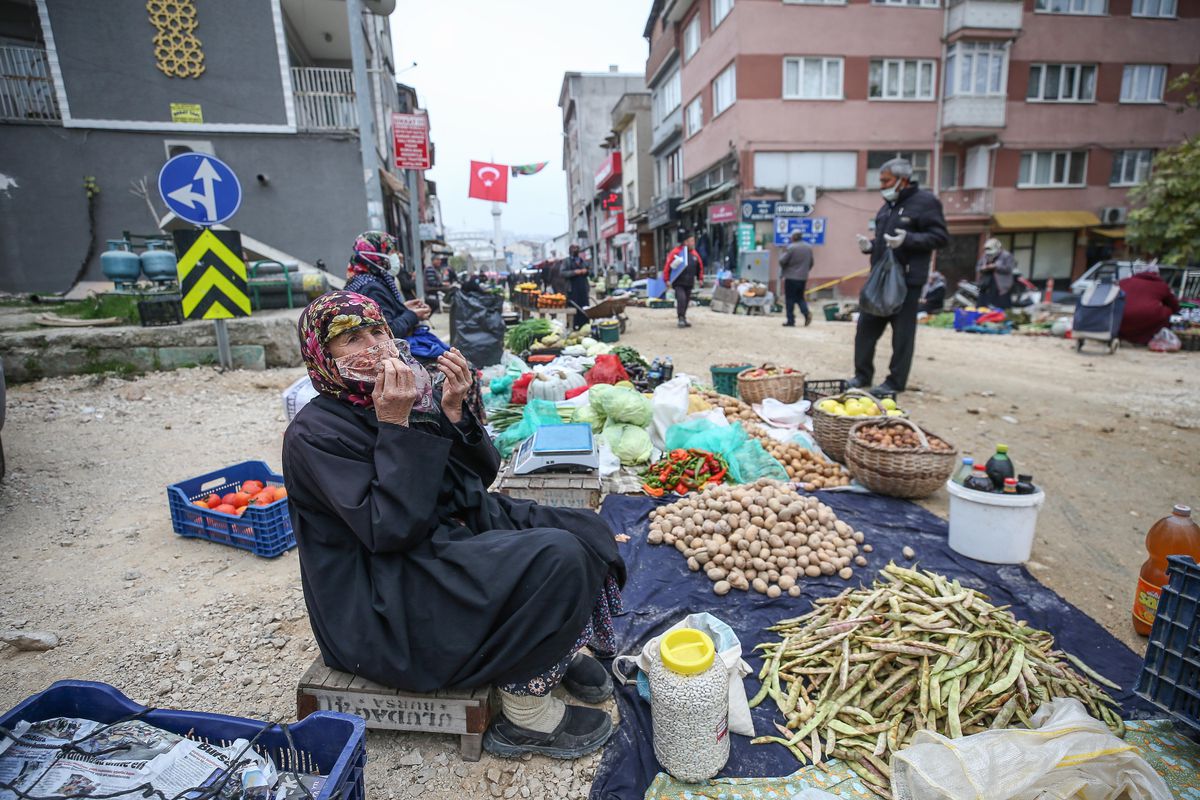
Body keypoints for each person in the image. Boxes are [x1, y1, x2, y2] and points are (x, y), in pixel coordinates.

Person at [283, 291, 625, 759]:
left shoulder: (396, 394)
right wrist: (395, 426)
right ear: (322, 355)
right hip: (382, 595)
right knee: (556, 558)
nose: (374, 346)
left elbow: (476, 479)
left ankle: (551, 653)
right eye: (350, 339)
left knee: (583, 529)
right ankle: (526, 715)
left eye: (377, 331)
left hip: (434, 533)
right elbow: (390, 530)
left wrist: (453, 410)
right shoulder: (314, 435)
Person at [851, 157, 948, 395]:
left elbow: (940, 237)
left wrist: (909, 239)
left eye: (886, 180)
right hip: (880, 280)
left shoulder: (925, 203)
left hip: (906, 281)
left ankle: (895, 382)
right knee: (865, 327)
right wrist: (871, 246)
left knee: (902, 334)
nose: (882, 185)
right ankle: (862, 375)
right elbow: (885, 242)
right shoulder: (887, 207)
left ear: (902, 180)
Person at [343, 231, 432, 339]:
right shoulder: (371, 288)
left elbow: (383, 314)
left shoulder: (364, 281)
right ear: (375, 255)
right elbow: (389, 331)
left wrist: (402, 308)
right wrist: (413, 315)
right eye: (391, 252)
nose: (396, 256)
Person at [1119, 262, 1181, 345]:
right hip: (1145, 318)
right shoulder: (1161, 285)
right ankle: (1151, 339)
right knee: (1167, 311)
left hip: (1120, 318)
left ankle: (1123, 338)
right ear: (1156, 274)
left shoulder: (1124, 281)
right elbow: (1175, 306)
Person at [663, 230, 704, 328]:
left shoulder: (694, 254)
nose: (693, 243)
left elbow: (700, 267)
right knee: (681, 299)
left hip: (689, 282)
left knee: (686, 301)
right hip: (679, 282)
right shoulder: (676, 252)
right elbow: (667, 266)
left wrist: (700, 278)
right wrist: (667, 279)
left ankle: (683, 317)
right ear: (685, 242)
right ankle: (680, 318)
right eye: (691, 241)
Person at [779, 231, 814, 327]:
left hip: (791, 277)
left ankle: (791, 320)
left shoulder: (791, 248)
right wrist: (804, 271)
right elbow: (811, 263)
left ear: (794, 237)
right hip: (803, 277)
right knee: (800, 297)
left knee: (789, 299)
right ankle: (806, 313)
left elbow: (782, 261)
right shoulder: (808, 247)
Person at [975, 238, 1015, 310]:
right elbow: (978, 267)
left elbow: (1009, 268)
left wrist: (996, 266)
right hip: (986, 284)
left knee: (1001, 305)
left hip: (1001, 285)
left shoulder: (1006, 255)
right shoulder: (985, 255)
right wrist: (983, 268)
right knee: (983, 305)